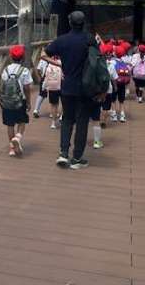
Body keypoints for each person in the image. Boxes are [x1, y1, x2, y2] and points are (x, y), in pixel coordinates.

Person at [42, 10, 93, 170]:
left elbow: (43, 55)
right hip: (85, 88)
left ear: (70, 22)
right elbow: (98, 61)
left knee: (67, 120)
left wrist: (59, 64)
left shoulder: (62, 40)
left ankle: (63, 153)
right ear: (83, 23)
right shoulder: (89, 39)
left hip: (67, 86)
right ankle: (77, 158)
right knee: (82, 122)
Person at [0, 44, 33, 156]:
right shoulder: (24, 70)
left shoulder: (6, 70)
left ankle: (12, 149)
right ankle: (17, 138)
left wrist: (1, 99)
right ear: (23, 57)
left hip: (7, 101)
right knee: (22, 121)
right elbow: (27, 88)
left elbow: (2, 85)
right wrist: (28, 102)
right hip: (20, 101)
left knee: (10, 125)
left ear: (11, 57)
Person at [112, 45, 131, 123]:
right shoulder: (123, 62)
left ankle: (114, 115)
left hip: (115, 83)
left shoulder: (113, 62)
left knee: (113, 100)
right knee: (121, 100)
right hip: (122, 83)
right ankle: (122, 115)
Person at [42, 56, 62, 129]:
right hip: (62, 85)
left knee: (53, 105)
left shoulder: (49, 65)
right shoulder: (62, 63)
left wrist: (44, 86)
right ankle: (62, 116)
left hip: (52, 87)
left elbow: (46, 77)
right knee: (63, 103)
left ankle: (53, 123)